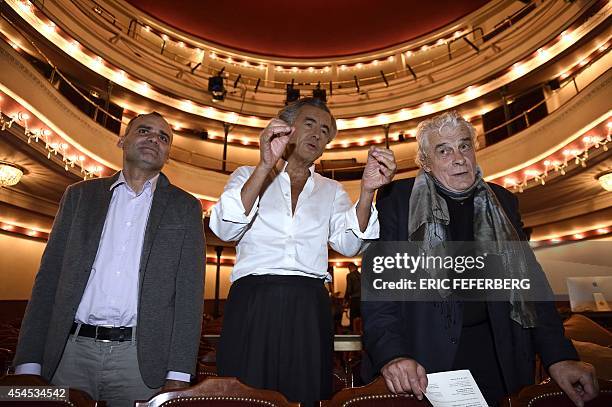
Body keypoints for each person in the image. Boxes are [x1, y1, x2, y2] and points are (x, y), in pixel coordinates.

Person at [361, 111, 598, 406]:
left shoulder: (503, 201)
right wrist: (393, 354)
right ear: (426, 163)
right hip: (422, 359)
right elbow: (380, 292)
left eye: (464, 146)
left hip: (498, 355)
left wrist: (560, 356)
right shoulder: (396, 200)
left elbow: (531, 286)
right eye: (443, 150)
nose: (458, 158)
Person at [209, 97, 396, 406]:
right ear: (287, 128)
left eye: (325, 131)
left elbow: (348, 244)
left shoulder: (332, 190)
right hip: (252, 299)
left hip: (309, 302)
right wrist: (265, 166)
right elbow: (226, 230)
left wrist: (366, 193)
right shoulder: (246, 174)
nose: (317, 135)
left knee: (306, 392)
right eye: (310, 124)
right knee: (246, 394)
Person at [13, 112, 206, 407]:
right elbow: (48, 280)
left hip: (142, 361)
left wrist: (179, 372)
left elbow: (189, 296)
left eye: (163, 137)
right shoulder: (79, 196)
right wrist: (28, 362)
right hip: (68, 354)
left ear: (167, 153)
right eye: (144, 130)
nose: (154, 138)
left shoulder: (185, 207)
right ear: (122, 140)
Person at [344, 263, 361, 330]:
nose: (349, 270)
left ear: (351, 268)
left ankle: (352, 331)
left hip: (354, 298)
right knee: (360, 316)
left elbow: (349, 288)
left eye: (349, 269)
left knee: (353, 316)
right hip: (362, 299)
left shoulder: (349, 275)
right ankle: (360, 330)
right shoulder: (361, 275)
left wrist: (346, 299)